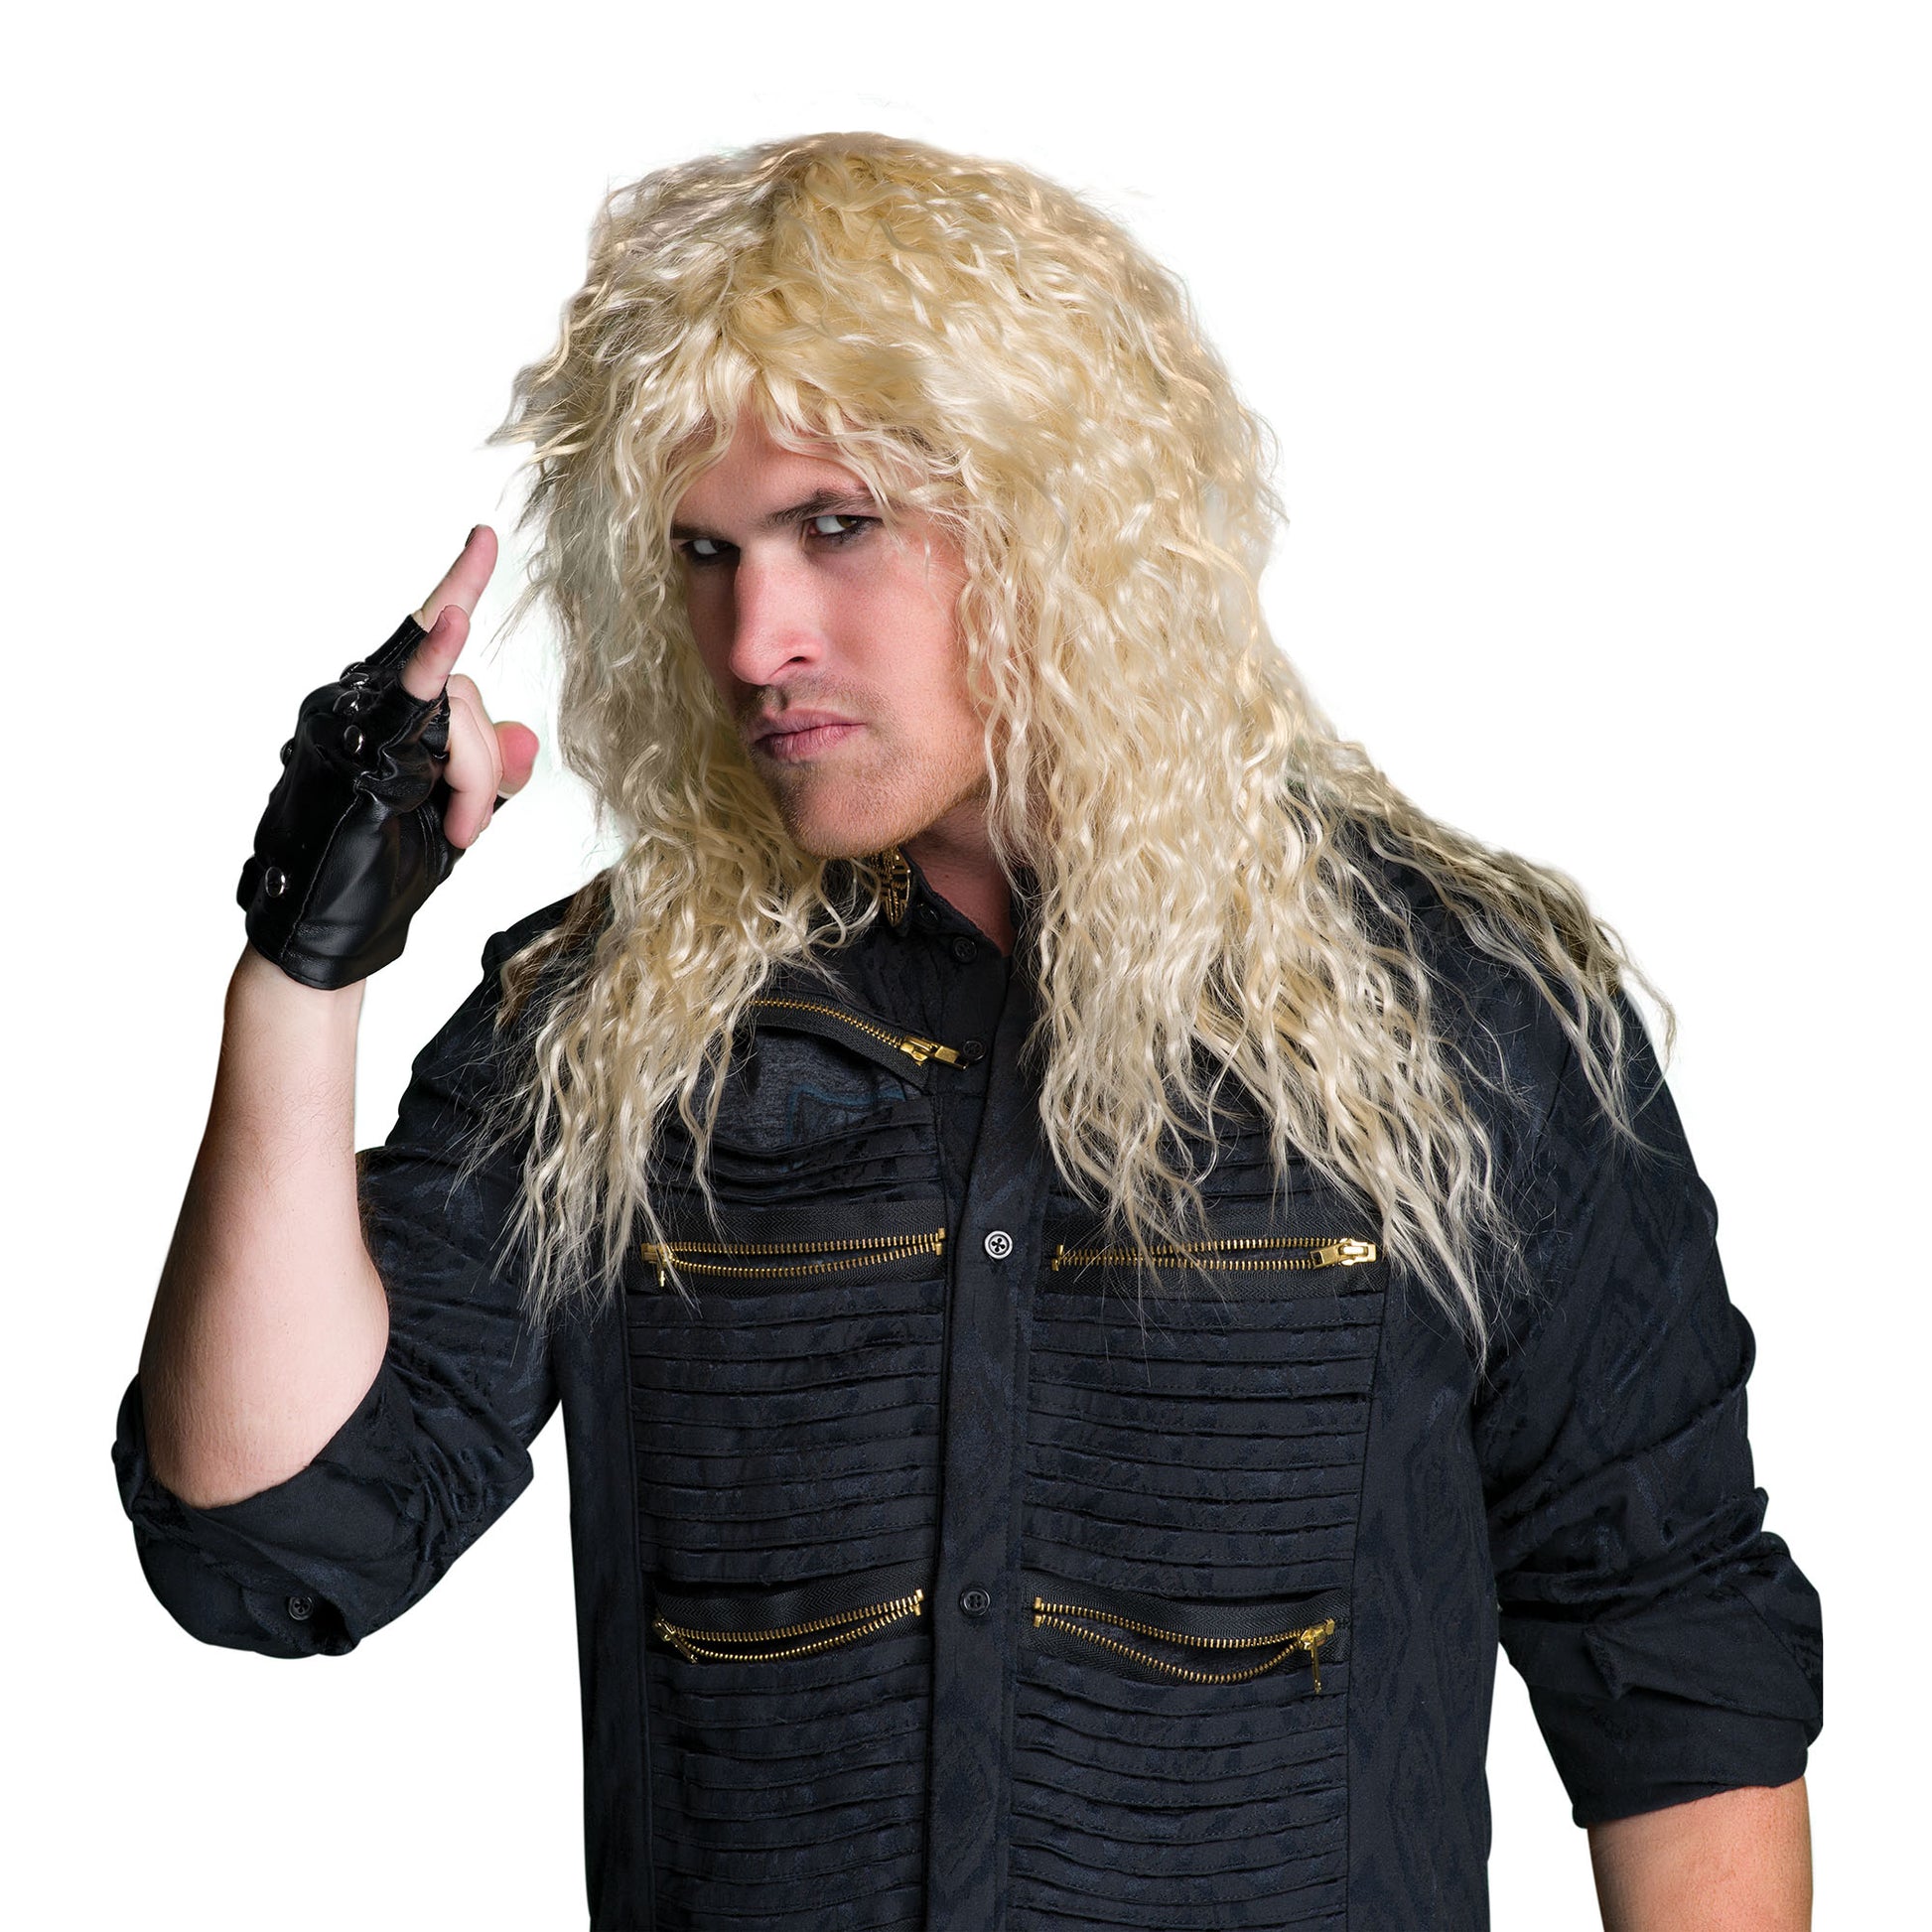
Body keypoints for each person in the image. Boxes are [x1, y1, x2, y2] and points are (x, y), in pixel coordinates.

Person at [114, 132, 1823, 1930]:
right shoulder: (612, 1023)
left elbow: (1669, 1655)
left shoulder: (1456, 1011)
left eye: (834, 526)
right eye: (702, 552)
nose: (754, 637)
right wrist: (305, 966)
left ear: (1056, 514)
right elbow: (271, 1531)